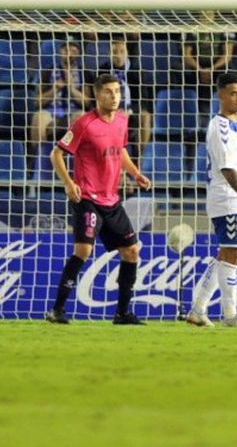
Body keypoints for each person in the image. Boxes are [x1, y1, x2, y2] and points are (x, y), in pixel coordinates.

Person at [45, 74, 152, 325]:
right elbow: (56, 154)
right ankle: (57, 310)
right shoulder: (83, 124)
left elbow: (120, 150)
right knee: (83, 250)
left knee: (132, 252)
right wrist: (69, 184)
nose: (114, 96)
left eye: (116, 91)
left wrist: (135, 173)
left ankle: (122, 313)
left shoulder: (122, 121)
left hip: (111, 200)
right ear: (97, 95)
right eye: (108, 91)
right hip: (87, 197)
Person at [186, 73, 237, 329]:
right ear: (220, 95)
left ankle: (198, 310)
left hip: (231, 201)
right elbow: (227, 169)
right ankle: (230, 314)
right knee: (232, 254)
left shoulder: (234, 126)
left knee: (226, 254)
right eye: (233, 93)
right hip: (228, 199)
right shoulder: (220, 127)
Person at [30, 36, 91, 169]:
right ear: (60, 52)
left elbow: (87, 102)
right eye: (66, 50)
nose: (69, 53)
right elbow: (37, 102)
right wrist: (54, 89)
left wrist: (72, 88)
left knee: (81, 117)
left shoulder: (84, 73)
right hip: (52, 111)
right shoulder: (47, 72)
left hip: (73, 110)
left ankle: (76, 164)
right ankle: (39, 162)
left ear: (78, 53)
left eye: (73, 50)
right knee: (38, 117)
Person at [95, 35, 153, 160]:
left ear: (127, 53)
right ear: (109, 53)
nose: (118, 55)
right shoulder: (102, 70)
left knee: (145, 116)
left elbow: (143, 99)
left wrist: (131, 110)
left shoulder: (136, 71)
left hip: (131, 112)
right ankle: (112, 160)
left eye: (122, 51)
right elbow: (99, 97)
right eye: (114, 51)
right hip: (109, 111)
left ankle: (140, 158)